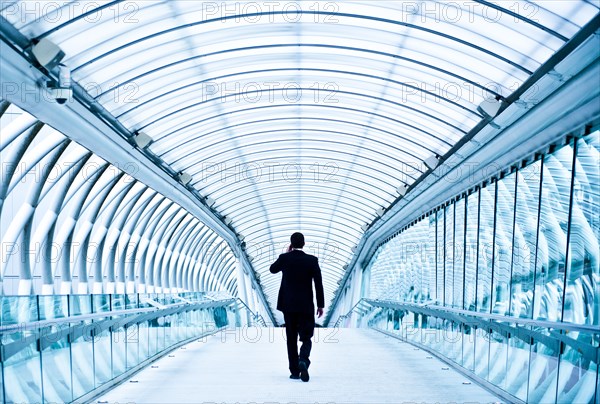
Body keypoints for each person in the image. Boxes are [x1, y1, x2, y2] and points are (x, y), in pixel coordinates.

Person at [270, 232, 325, 382]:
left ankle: (294, 371)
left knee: (291, 338)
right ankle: (303, 359)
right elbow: (318, 284)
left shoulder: (284, 258)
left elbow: (272, 269)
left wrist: (286, 255)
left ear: (291, 244)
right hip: (306, 306)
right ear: (304, 243)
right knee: (306, 337)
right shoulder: (312, 261)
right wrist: (320, 304)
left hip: (288, 306)